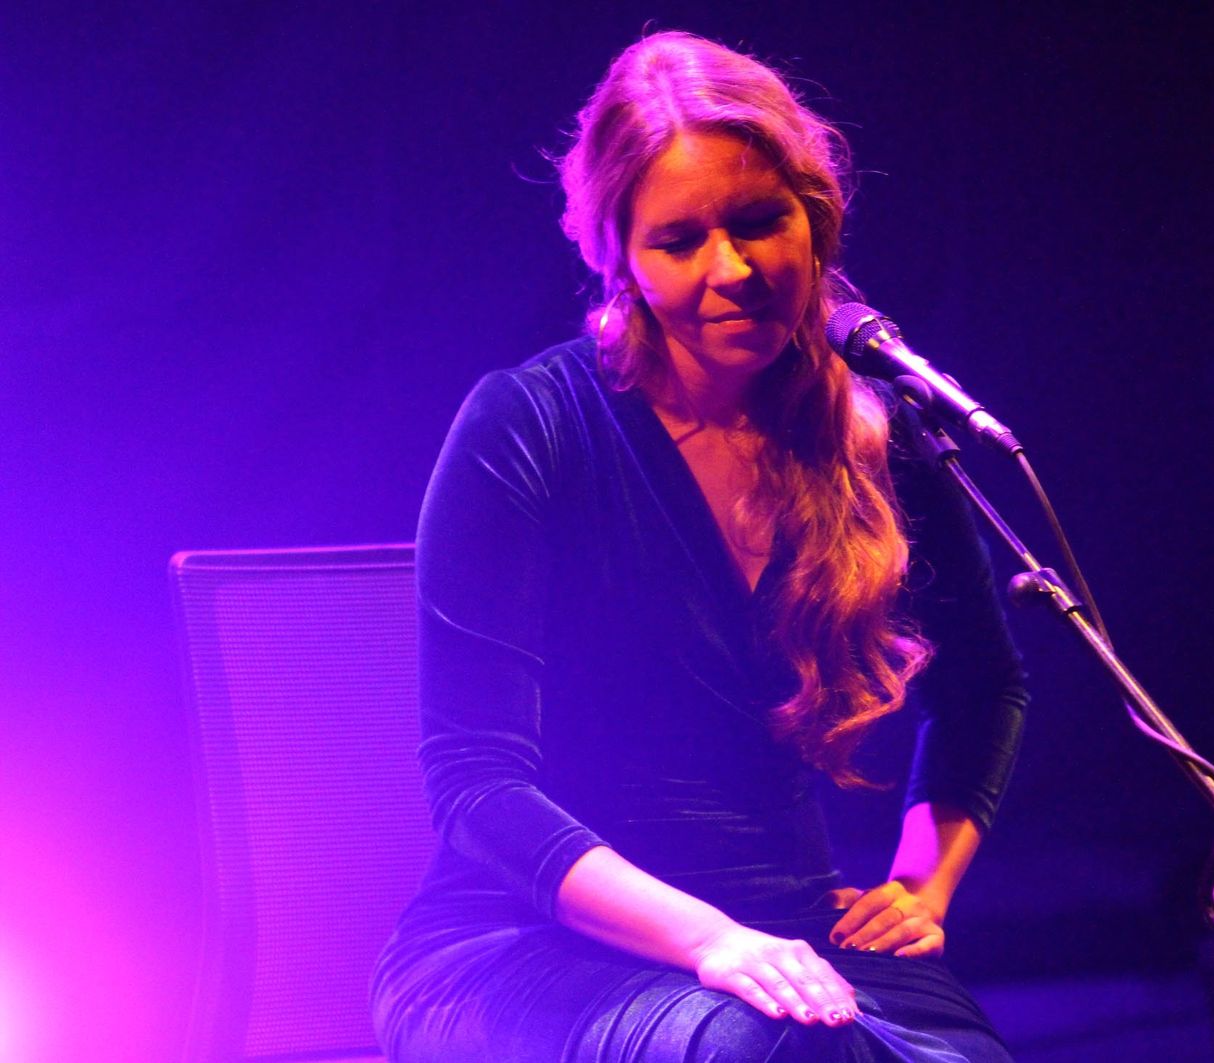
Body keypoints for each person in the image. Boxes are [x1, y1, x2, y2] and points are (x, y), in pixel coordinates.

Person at [371, 30, 1029, 1062]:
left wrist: (920, 883)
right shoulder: (528, 425)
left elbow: (984, 681)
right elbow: (474, 784)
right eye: (679, 242)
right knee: (768, 1051)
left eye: (761, 223)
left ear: (814, 220)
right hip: (527, 944)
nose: (732, 271)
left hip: (787, 930)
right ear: (618, 257)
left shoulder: (873, 429)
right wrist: (710, 941)